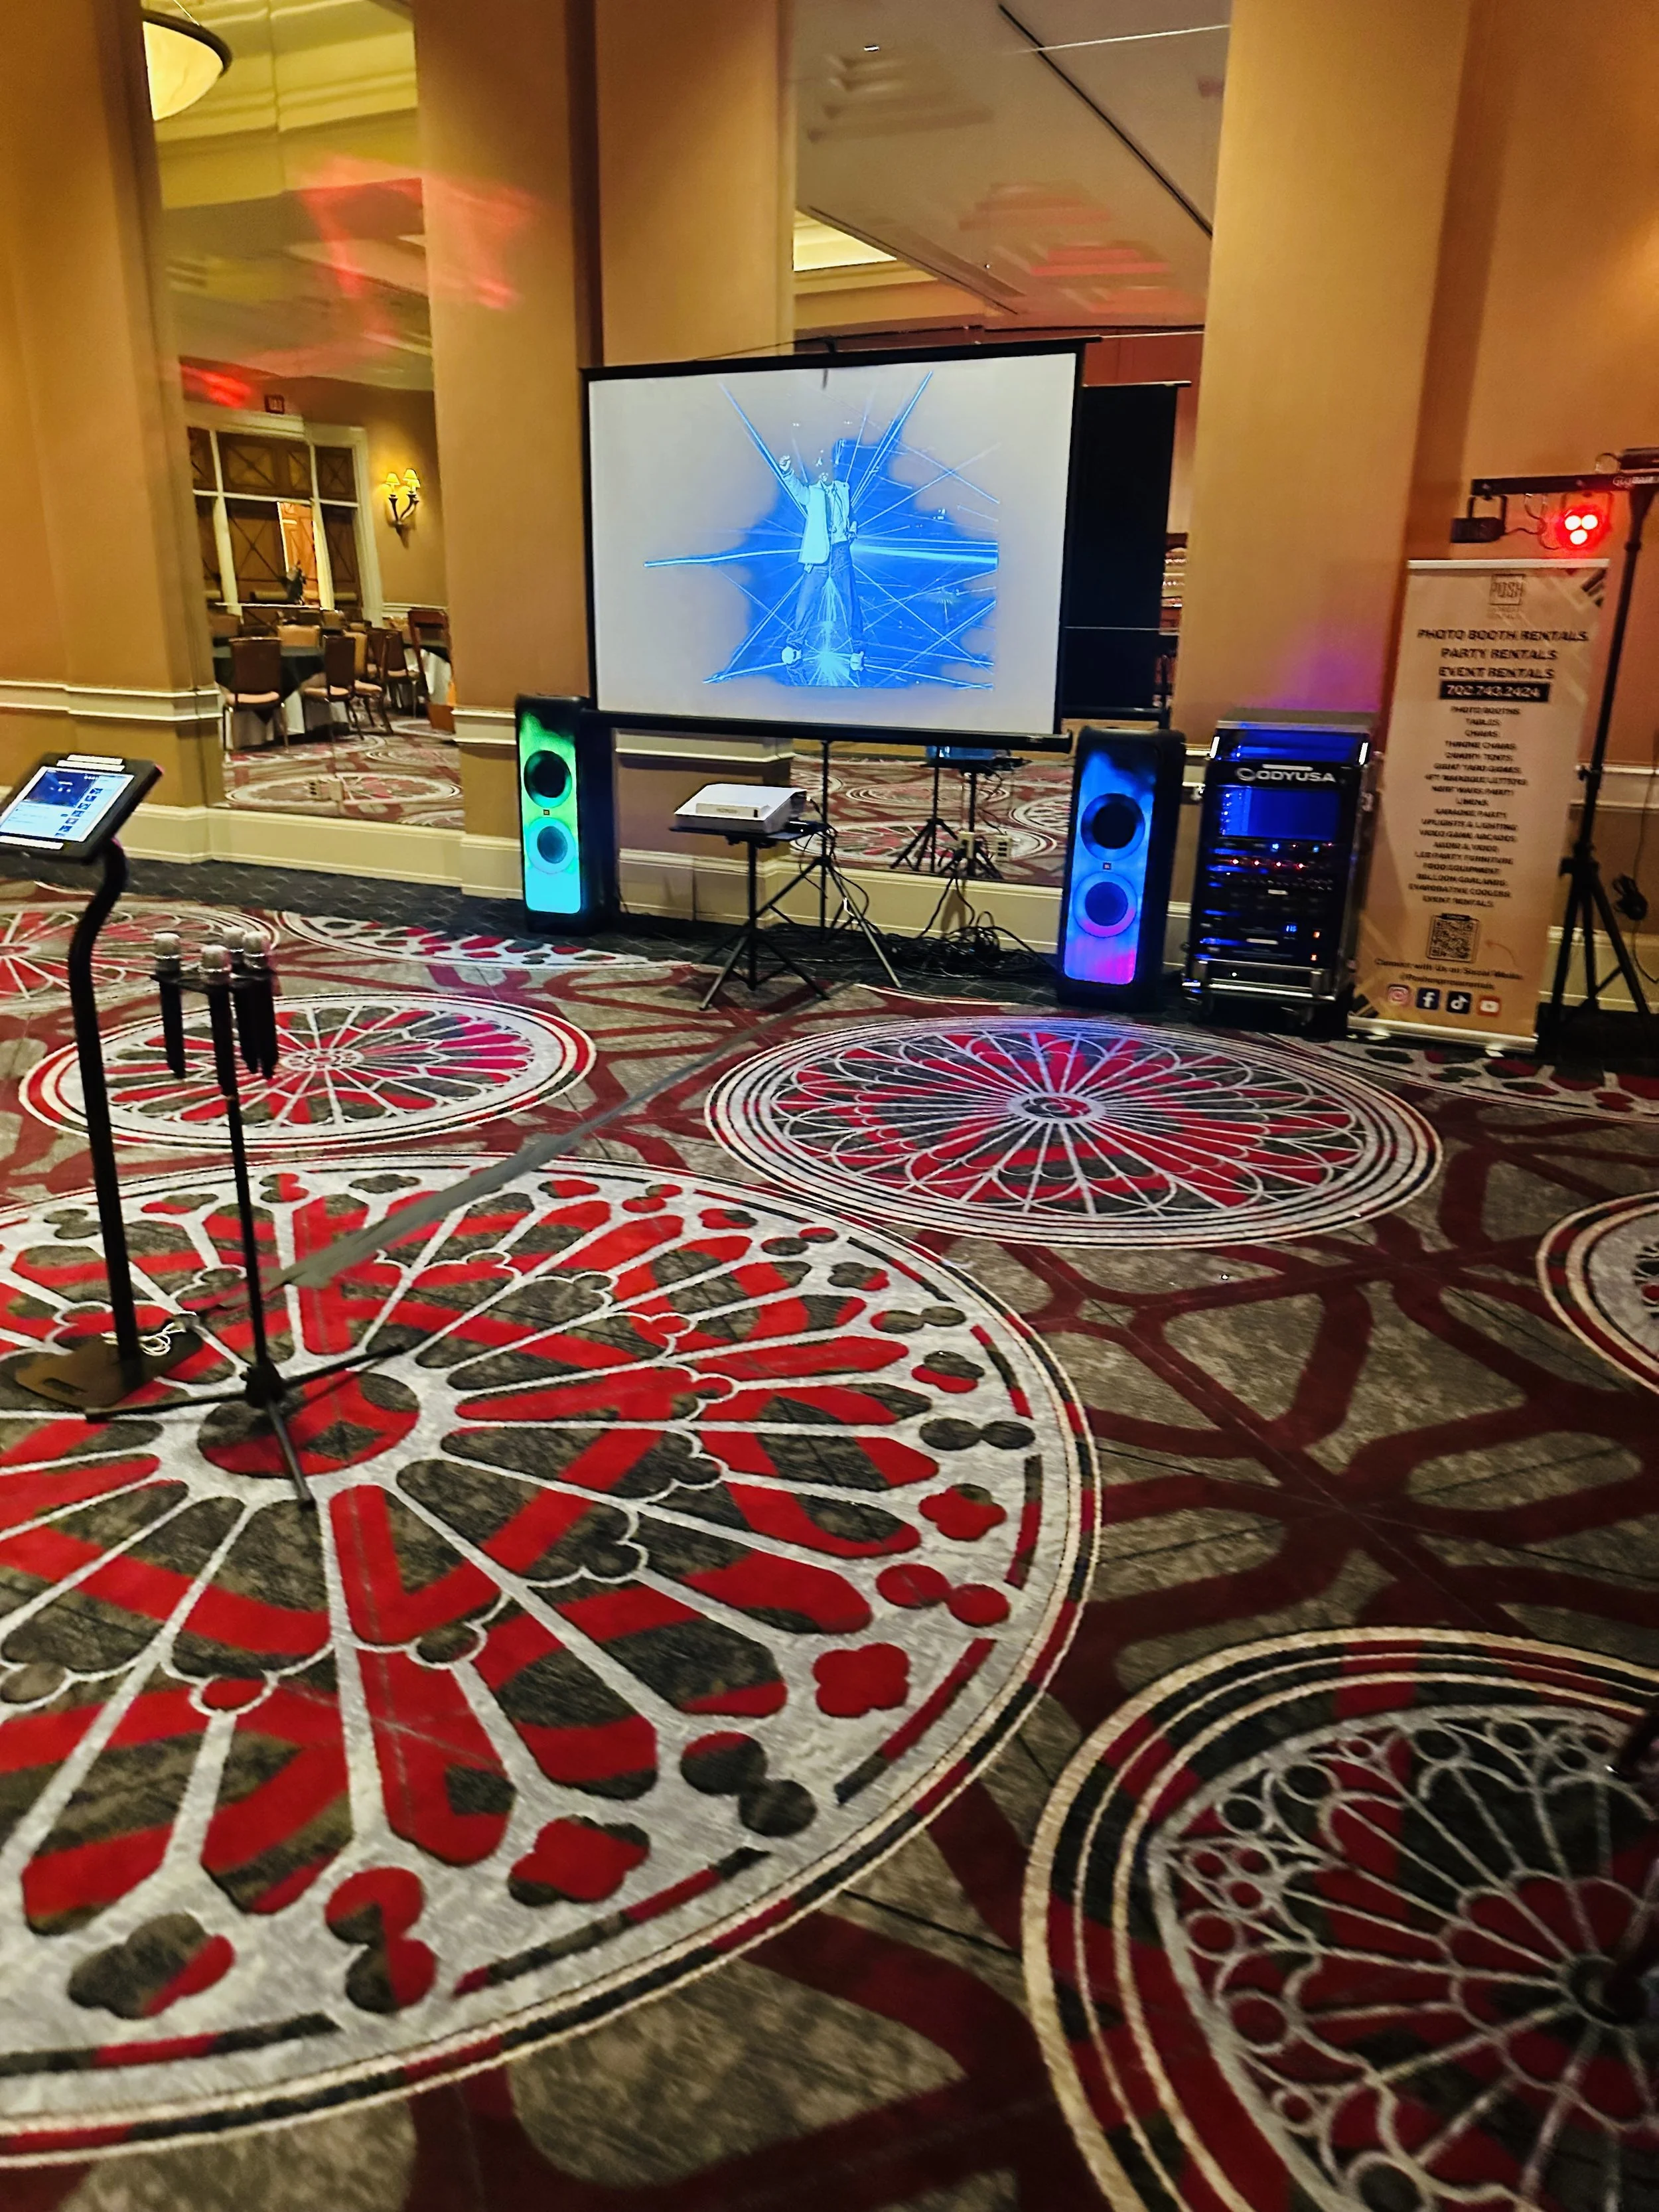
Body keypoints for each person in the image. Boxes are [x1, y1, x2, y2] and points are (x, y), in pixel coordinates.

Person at [778, 451, 864, 674]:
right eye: (819, 469)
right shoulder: (813, 494)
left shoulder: (843, 489)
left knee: (850, 600)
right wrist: (787, 472)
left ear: (832, 469)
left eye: (826, 468)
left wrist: (852, 529)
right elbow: (796, 490)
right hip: (818, 556)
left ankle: (858, 649)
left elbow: (851, 516)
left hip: (840, 551)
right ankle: (795, 645)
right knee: (806, 601)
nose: (823, 473)